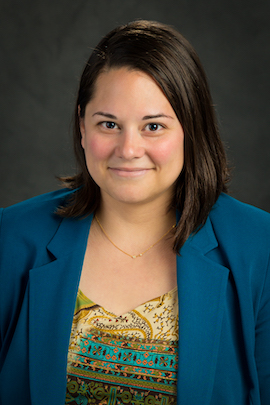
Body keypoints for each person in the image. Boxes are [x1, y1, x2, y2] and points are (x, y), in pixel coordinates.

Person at [0, 20, 269, 405]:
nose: (128, 149)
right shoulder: (10, 235)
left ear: (191, 130)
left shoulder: (261, 248)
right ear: (81, 124)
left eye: (153, 126)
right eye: (108, 124)